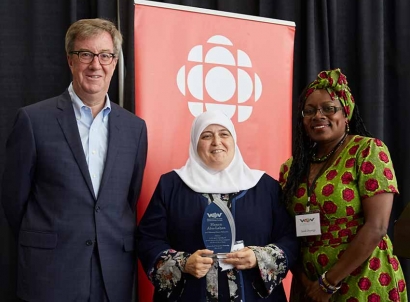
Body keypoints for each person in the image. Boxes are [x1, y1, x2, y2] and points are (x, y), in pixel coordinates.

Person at [1, 18, 147, 302]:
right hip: (51, 273)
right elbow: (14, 200)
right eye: (86, 55)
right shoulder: (33, 120)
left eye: (105, 55)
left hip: (113, 275)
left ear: (115, 63)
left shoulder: (134, 128)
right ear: (70, 60)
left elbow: (129, 198)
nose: (96, 65)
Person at [137, 110, 298, 302]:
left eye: (224, 134)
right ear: (195, 142)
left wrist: (259, 257)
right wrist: (183, 263)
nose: (216, 141)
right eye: (206, 135)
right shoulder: (171, 185)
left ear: (234, 140)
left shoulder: (264, 187)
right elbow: (148, 240)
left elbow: (290, 239)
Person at [279, 68, 407, 301]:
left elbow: (377, 226)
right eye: (309, 111)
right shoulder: (291, 167)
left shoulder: (368, 151)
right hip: (308, 284)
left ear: (345, 114)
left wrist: (328, 283)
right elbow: (285, 231)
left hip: (362, 278)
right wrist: (307, 282)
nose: (318, 115)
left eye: (329, 108)